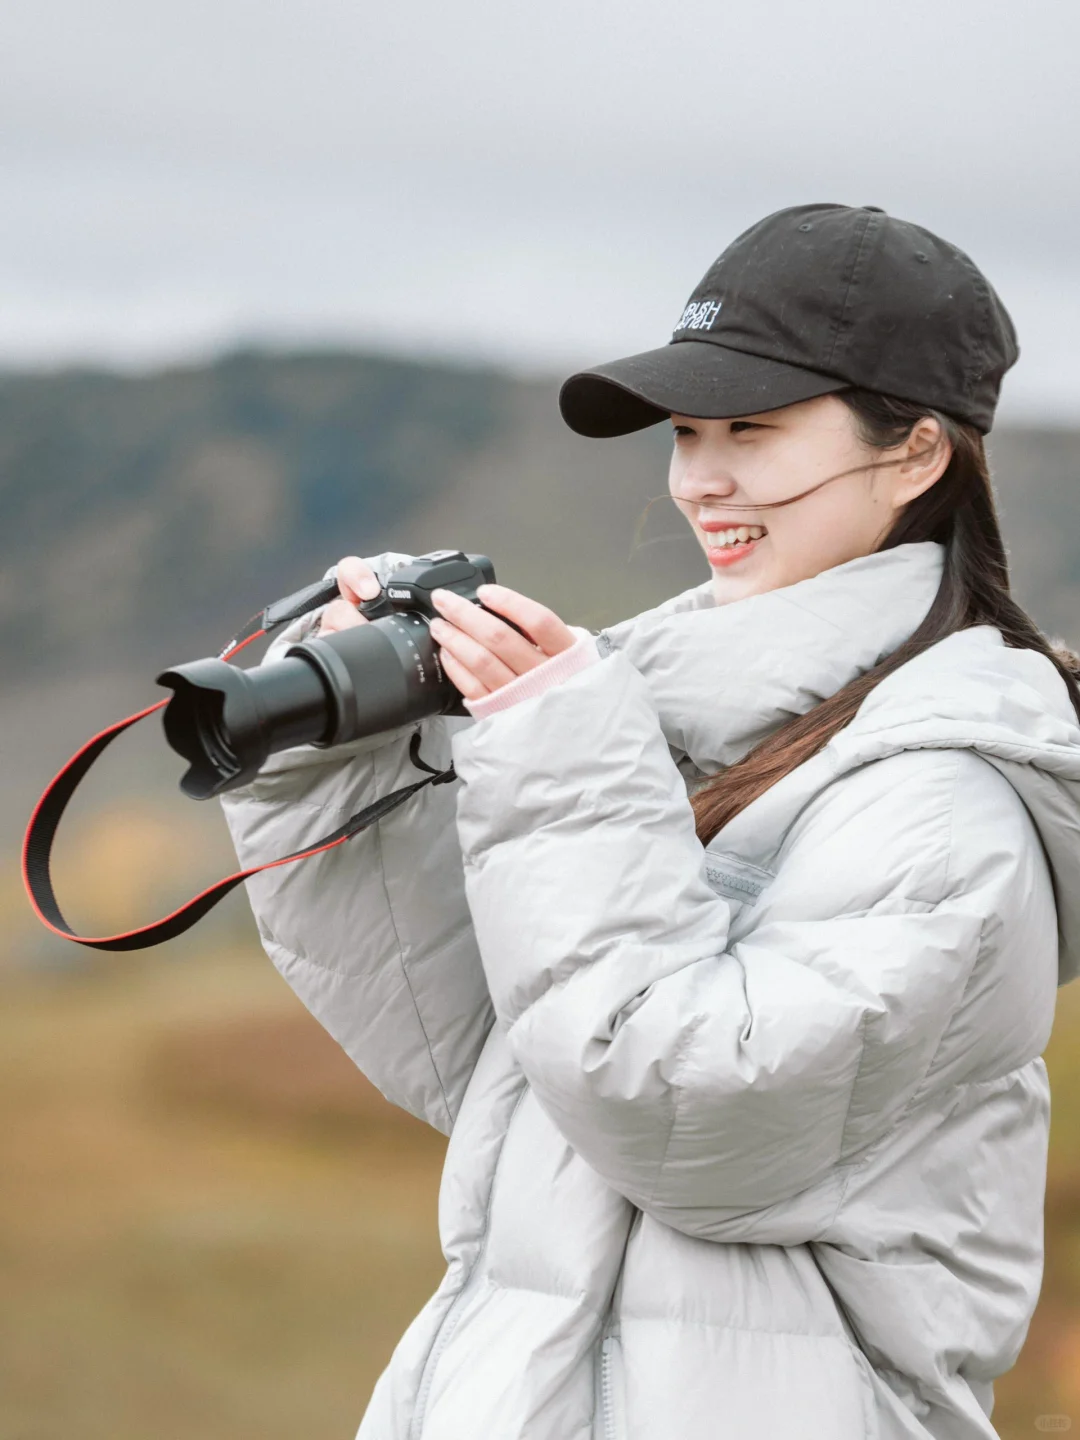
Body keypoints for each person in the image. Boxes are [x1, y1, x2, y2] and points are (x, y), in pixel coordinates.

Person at [220, 203, 1080, 1440]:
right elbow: (488, 1049)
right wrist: (335, 760)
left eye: (756, 430)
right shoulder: (674, 719)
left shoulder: (950, 801)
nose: (701, 479)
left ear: (918, 454)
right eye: (687, 432)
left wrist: (563, 753)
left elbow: (688, 1114)